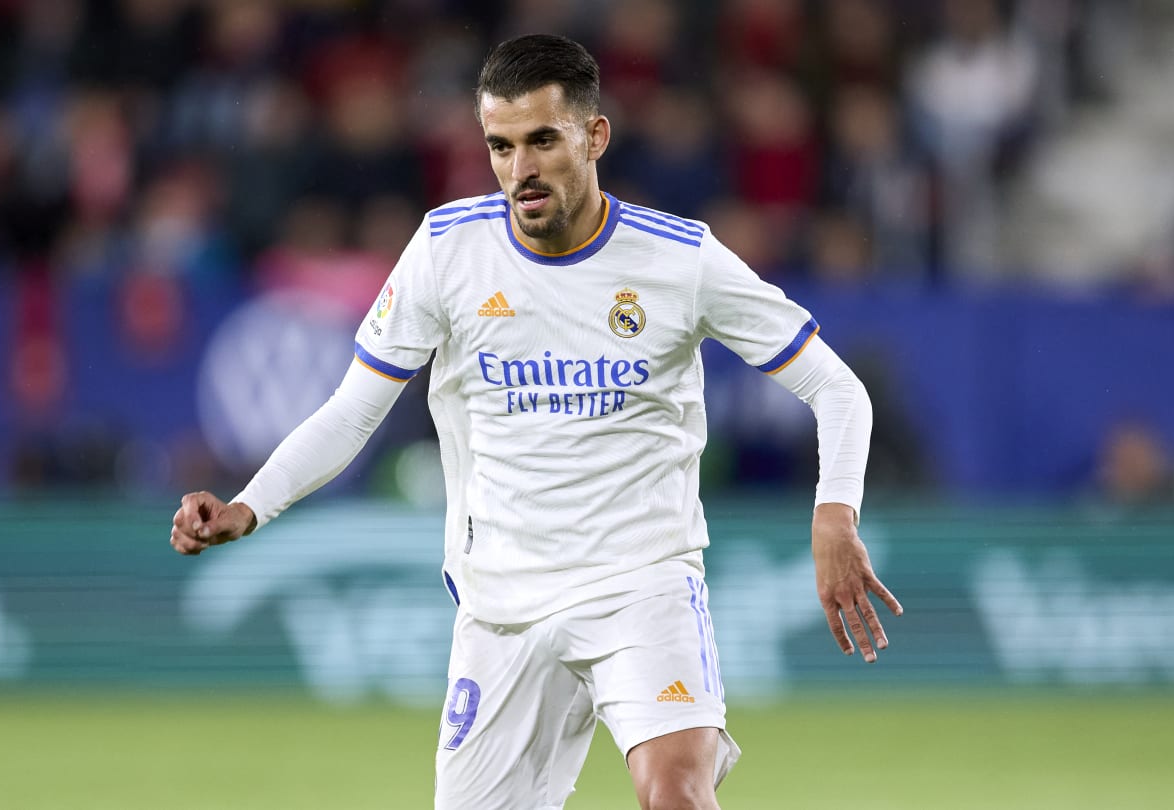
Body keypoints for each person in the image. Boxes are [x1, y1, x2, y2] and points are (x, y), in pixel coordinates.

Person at [170, 34, 900, 810]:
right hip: (503, 605)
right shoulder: (448, 251)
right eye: (501, 146)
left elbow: (837, 389)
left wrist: (835, 514)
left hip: (640, 585)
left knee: (676, 795)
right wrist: (249, 505)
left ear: (595, 136)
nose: (521, 168)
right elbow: (352, 411)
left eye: (543, 140)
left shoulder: (679, 260)